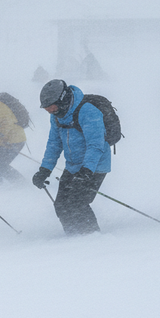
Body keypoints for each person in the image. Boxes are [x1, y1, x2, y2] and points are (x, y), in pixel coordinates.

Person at [31, 79, 111, 236]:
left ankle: (92, 238)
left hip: (95, 165)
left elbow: (96, 145)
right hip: (74, 165)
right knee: (61, 205)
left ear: (62, 99)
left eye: (51, 107)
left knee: (78, 203)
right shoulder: (56, 116)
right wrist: (44, 170)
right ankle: (74, 238)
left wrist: (87, 170)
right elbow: (54, 144)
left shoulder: (88, 111)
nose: (49, 111)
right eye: (46, 109)